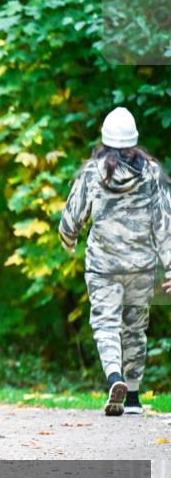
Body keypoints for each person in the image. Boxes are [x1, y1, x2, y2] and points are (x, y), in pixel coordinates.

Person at [59, 106, 171, 416]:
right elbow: (165, 222)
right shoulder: (151, 173)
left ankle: (114, 377)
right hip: (141, 265)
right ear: (134, 139)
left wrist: (68, 240)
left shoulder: (92, 172)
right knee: (135, 328)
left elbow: (72, 215)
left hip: (104, 267)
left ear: (105, 139)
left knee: (106, 323)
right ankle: (132, 398)